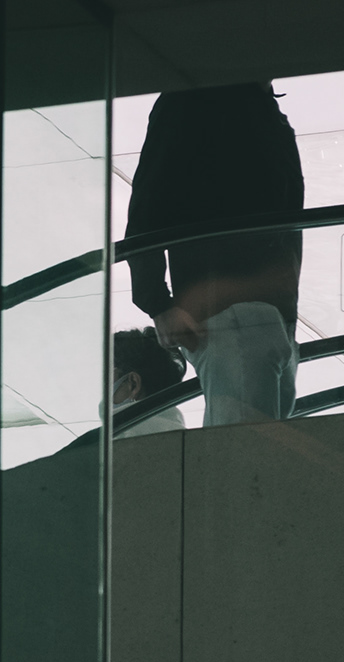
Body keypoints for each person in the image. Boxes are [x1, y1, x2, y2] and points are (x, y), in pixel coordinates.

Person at [118, 83, 307, 426]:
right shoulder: (192, 101)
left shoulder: (261, 106)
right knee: (242, 460)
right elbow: (147, 207)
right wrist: (157, 303)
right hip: (232, 312)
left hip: (271, 316)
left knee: (256, 459)